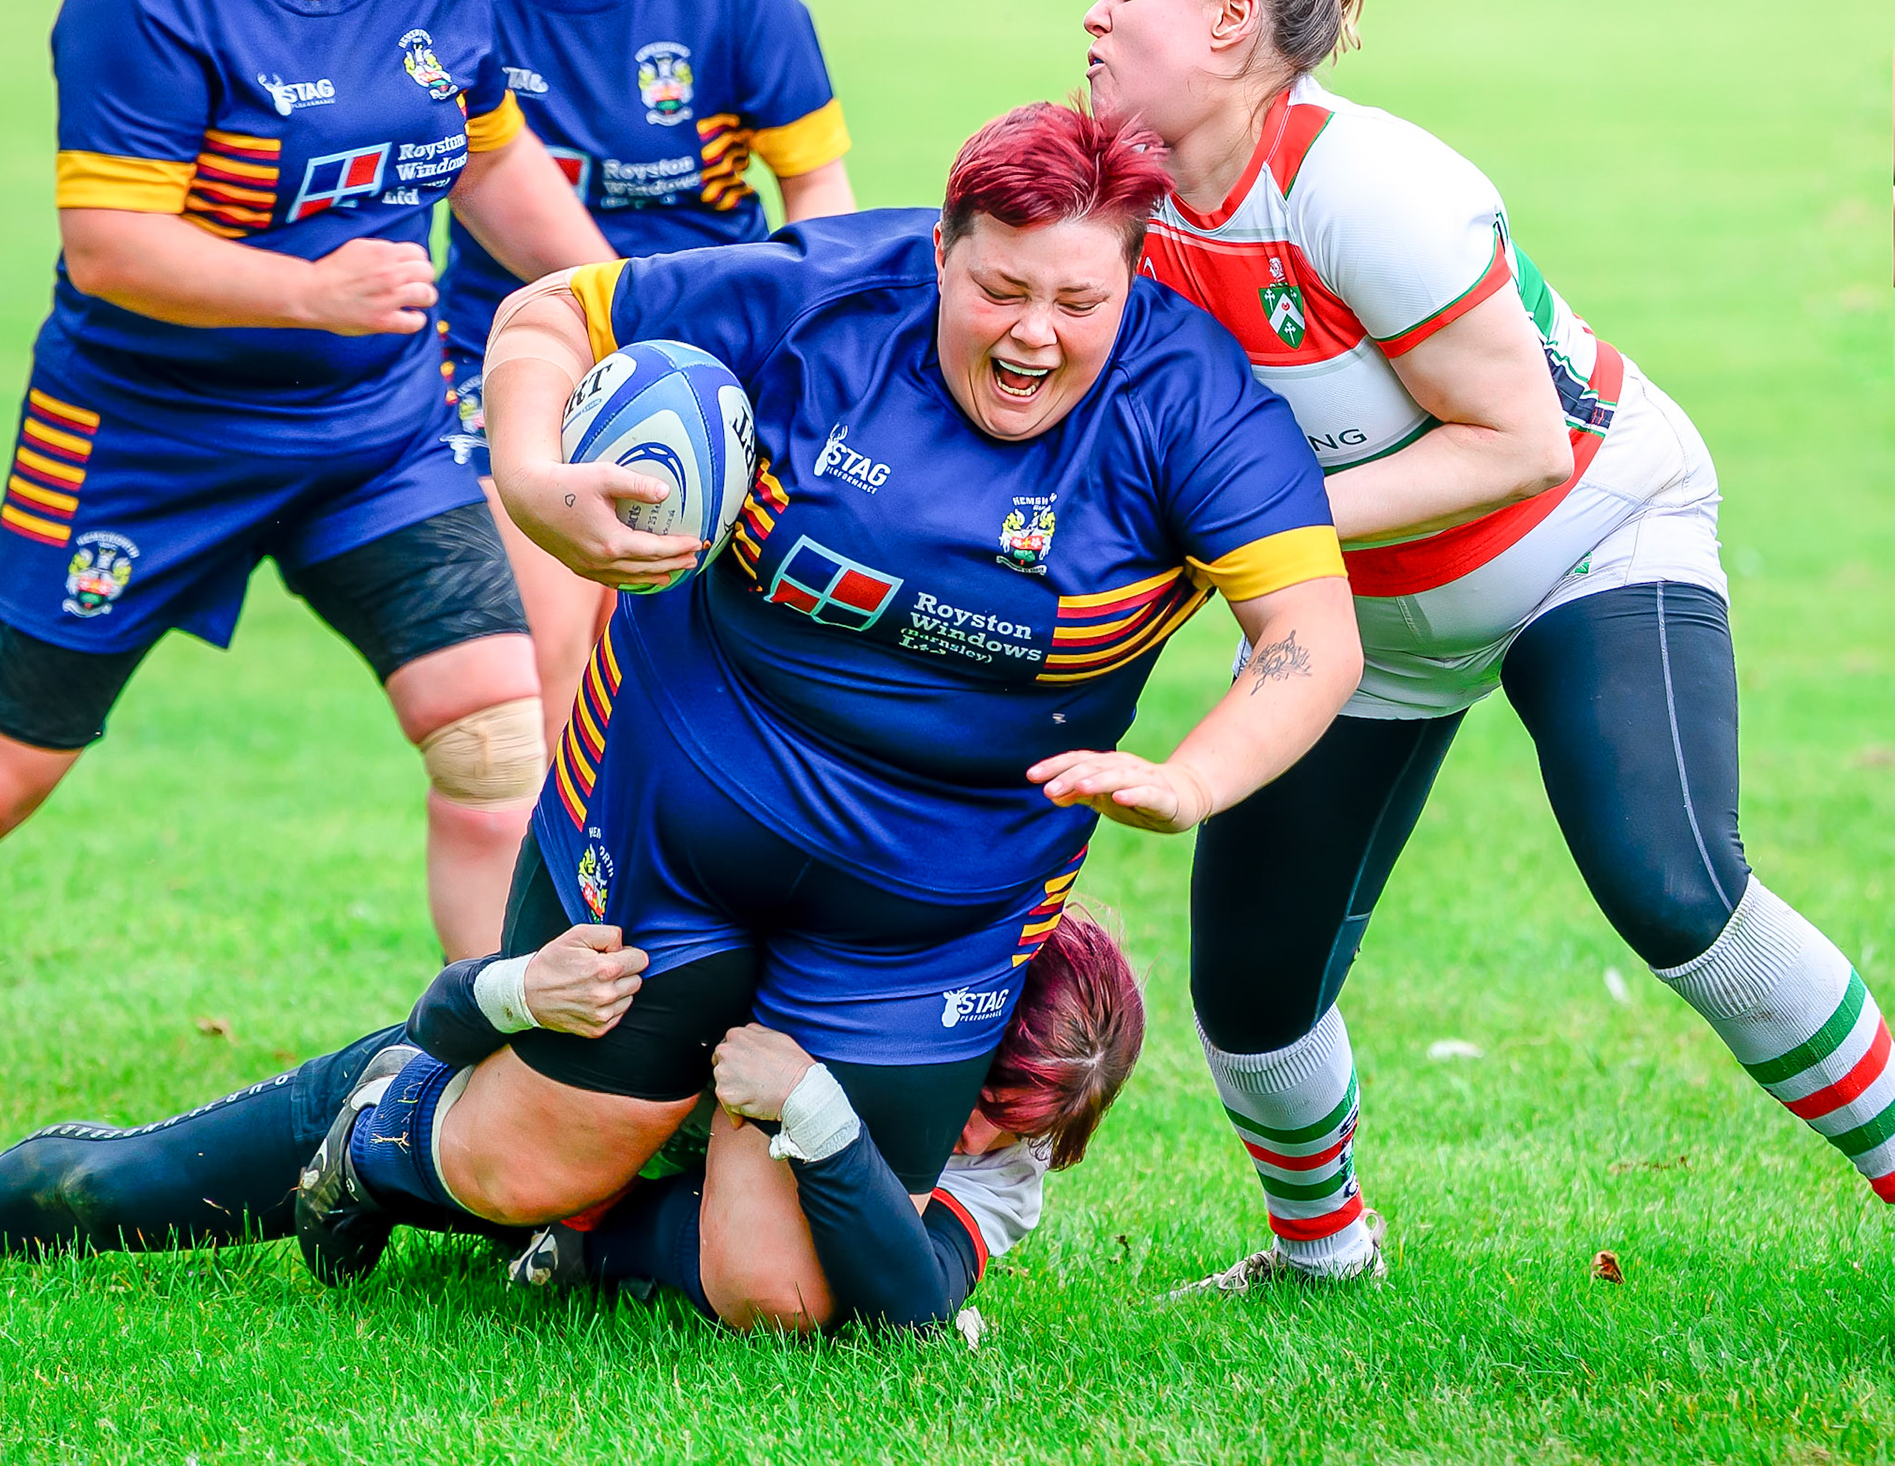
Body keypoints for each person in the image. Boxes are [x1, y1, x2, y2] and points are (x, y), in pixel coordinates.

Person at [289, 100, 1362, 1317]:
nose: (1034, 335)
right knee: (529, 1163)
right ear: (942, 252)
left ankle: (584, 1247)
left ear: (1133, 281)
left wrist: (1195, 779)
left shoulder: (1197, 405)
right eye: (1001, 290)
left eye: (1079, 304)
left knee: (783, 1288)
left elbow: (1311, 638)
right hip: (669, 819)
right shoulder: (837, 290)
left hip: (922, 910)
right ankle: (380, 1133)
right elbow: (551, 314)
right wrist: (535, 483)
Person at [1081, 0, 1895, 1289]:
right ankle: (1323, 1259)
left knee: (1671, 889)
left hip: (1589, 536)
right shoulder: (1125, 204)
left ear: (1234, 25)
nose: (1092, 13)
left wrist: (1253, 525)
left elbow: (1515, 444)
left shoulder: (1364, 182)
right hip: (1371, 620)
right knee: (1251, 985)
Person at [0, 0, 615, 956]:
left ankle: (484, 1085)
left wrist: (626, 304)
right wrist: (312, 293)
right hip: (145, 438)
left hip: (370, 436)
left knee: (497, 735)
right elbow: (107, 245)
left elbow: (492, 161)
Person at [0, 911, 1144, 1339]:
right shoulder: (796, 978)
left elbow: (913, 1308)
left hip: (550, 1209)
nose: (988, 1144)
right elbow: (443, 1008)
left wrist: (814, 1114)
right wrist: (521, 991)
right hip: (420, 1089)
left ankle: (572, 1250)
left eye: (1036, 1129)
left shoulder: (976, 1148)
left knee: (818, 1284)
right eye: (991, 1105)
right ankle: (372, 1159)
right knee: (98, 1200)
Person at [439, 0, 856, 749]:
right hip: (514, 349)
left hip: (707, 366)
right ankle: (559, 901)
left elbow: (818, 194)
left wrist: (812, 366)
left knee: (693, 684)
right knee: (544, 674)